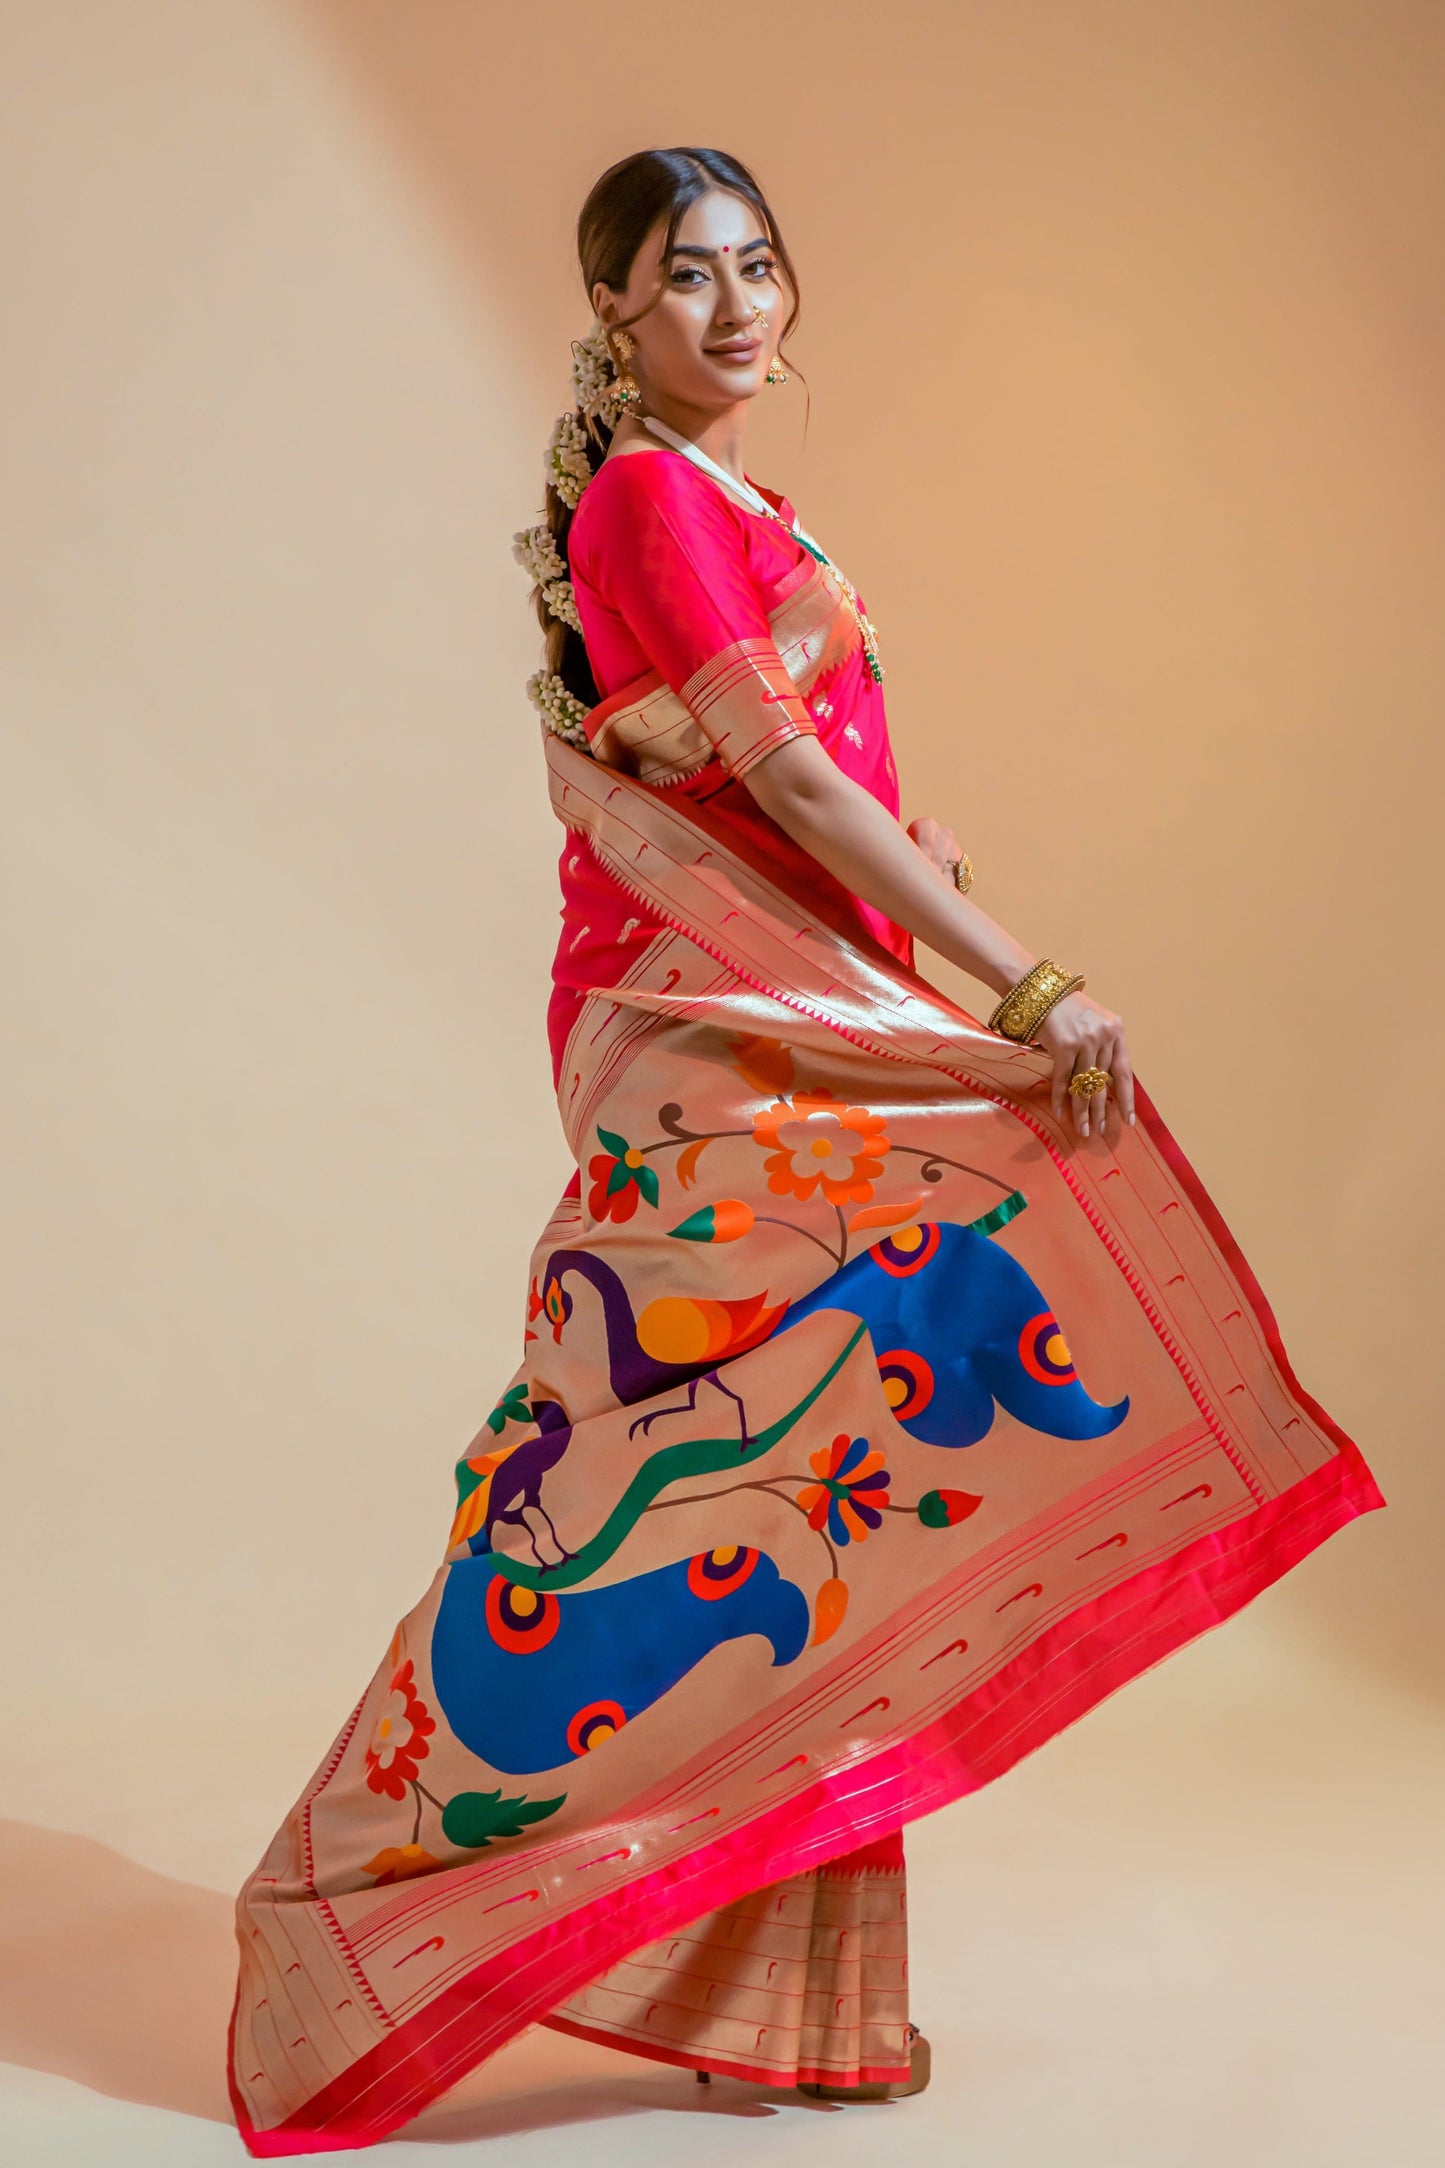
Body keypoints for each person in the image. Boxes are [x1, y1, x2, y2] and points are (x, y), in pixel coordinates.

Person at [227, 147, 1383, 2156]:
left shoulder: (741, 498)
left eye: (759, 267)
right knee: (644, 1481)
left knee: (801, 1511)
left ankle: (789, 2006)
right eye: (687, 277)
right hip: (702, 1041)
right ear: (614, 315)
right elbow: (776, 777)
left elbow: (829, 798)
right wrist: (1026, 989)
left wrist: (925, 921)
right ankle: (360, 1903)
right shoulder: (651, 499)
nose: (737, 306)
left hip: (774, 1007)